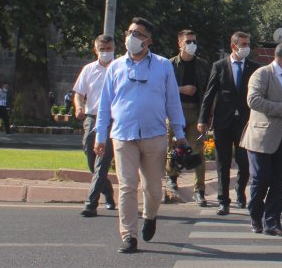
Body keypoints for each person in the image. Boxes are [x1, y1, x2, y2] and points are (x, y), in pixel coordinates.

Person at [95, 17, 186, 254]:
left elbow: (173, 102)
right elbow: (105, 104)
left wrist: (180, 133)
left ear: (148, 40)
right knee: (127, 186)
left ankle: (150, 215)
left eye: (138, 34)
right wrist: (100, 136)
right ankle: (129, 236)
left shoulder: (163, 65)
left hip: (154, 135)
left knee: (154, 189)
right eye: (130, 32)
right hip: (123, 135)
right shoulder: (115, 67)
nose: (132, 38)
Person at [240, 41, 282, 236]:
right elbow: (253, 100)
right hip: (262, 137)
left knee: (280, 182)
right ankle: (256, 216)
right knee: (261, 178)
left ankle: (272, 221)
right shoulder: (262, 74)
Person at [198, 31, 261, 215]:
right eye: (243, 44)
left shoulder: (254, 67)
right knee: (222, 162)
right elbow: (209, 94)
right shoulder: (219, 66)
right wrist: (203, 119)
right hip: (223, 121)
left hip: (245, 122)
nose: (246, 47)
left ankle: (240, 192)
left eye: (248, 44)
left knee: (244, 161)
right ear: (233, 46)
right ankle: (223, 200)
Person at [165, 29, 210, 206]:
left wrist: (206, 116)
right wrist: (181, 89)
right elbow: (163, 89)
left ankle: (199, 190)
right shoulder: (169, 65)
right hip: (175, 111)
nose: (192, 45)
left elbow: (208, 91)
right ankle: (172, 179)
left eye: (194, 41)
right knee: (173, 147)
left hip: (196, 112)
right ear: (180, 43)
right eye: (188, 41)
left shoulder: (202, 65)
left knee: (196, 150)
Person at [74, 34, 117, 217]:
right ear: (95, 50)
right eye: (102, 49)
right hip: (91, 117)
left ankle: (90, 204)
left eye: (109, 49)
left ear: (114, 49)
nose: (105, 53)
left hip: (111, 119)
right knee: (91, 159)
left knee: (103, 161)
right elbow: (78, 92)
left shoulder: (119, 68)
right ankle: (107, 191)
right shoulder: (89, 69)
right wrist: (79, 106)